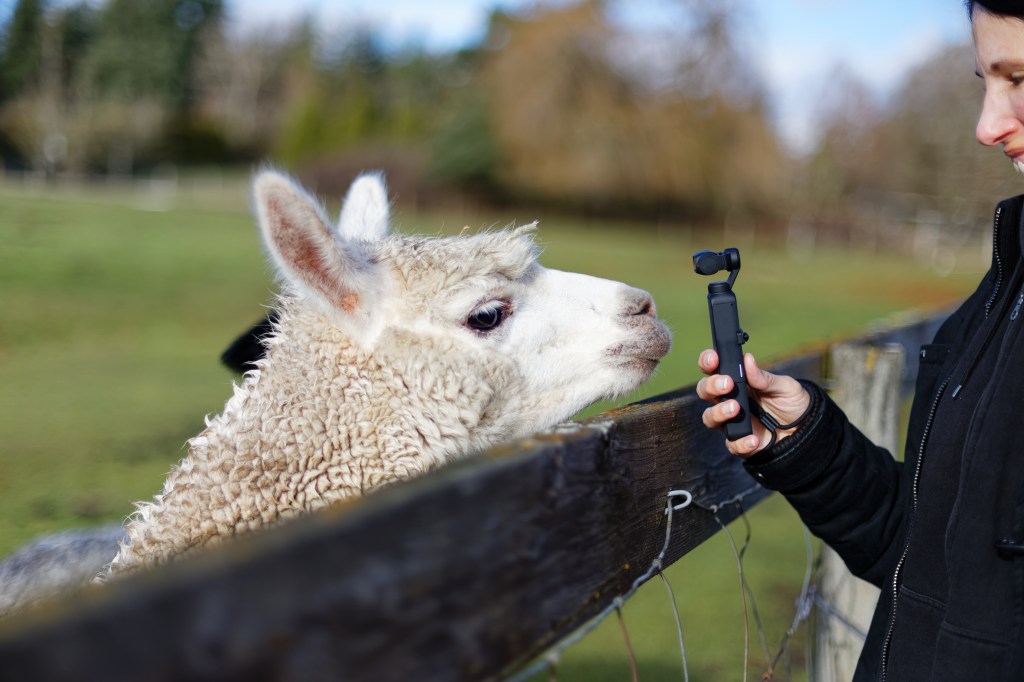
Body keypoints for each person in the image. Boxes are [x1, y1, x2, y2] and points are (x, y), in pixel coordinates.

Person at [696, 2, 1024, 680]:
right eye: (985, 82)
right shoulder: (1000, 294)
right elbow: (933, 564)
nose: (987, 125)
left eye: (1019, 79)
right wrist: (808, 446)